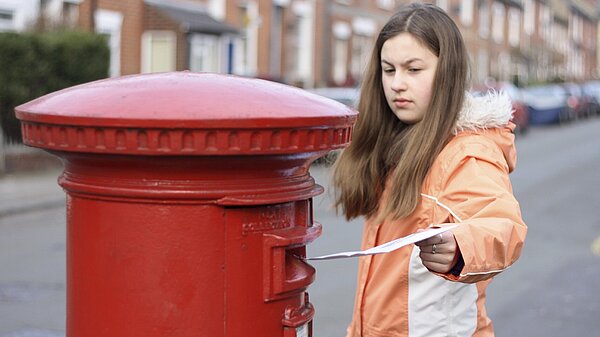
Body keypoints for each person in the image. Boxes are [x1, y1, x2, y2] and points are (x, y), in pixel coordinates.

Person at [331, 3, 527, 337]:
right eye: (389, 69)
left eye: (413, 69)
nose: (397, 84)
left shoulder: (465, 151)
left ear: (447, 72)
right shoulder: (391, 146)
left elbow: (502, 226)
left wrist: (461, 245)